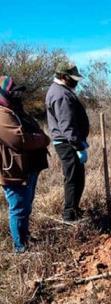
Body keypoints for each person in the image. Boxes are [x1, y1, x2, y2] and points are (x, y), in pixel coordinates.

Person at [0, 76, 50, 253]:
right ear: (5, 93)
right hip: (13, 171)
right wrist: (42, 139)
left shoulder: (15, 110)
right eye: (14, 91)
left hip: (27, 167)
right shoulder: (1, 113)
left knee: (26, 205)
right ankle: (21, 248)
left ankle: (25, 237)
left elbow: (33, 130)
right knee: (19, 208)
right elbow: (19, 140)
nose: (17, 95)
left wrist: (39, 137)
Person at [46, 62, 90, 222]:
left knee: (78, 177)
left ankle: (75, 210)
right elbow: (67, 125)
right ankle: (69, 216)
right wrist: (78, 146)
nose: (77, 82)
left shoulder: (62, 90)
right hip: (67, 144)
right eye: (73, 78)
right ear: (64, 77)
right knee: (72, 179)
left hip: (69, 142)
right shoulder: (60, 95)